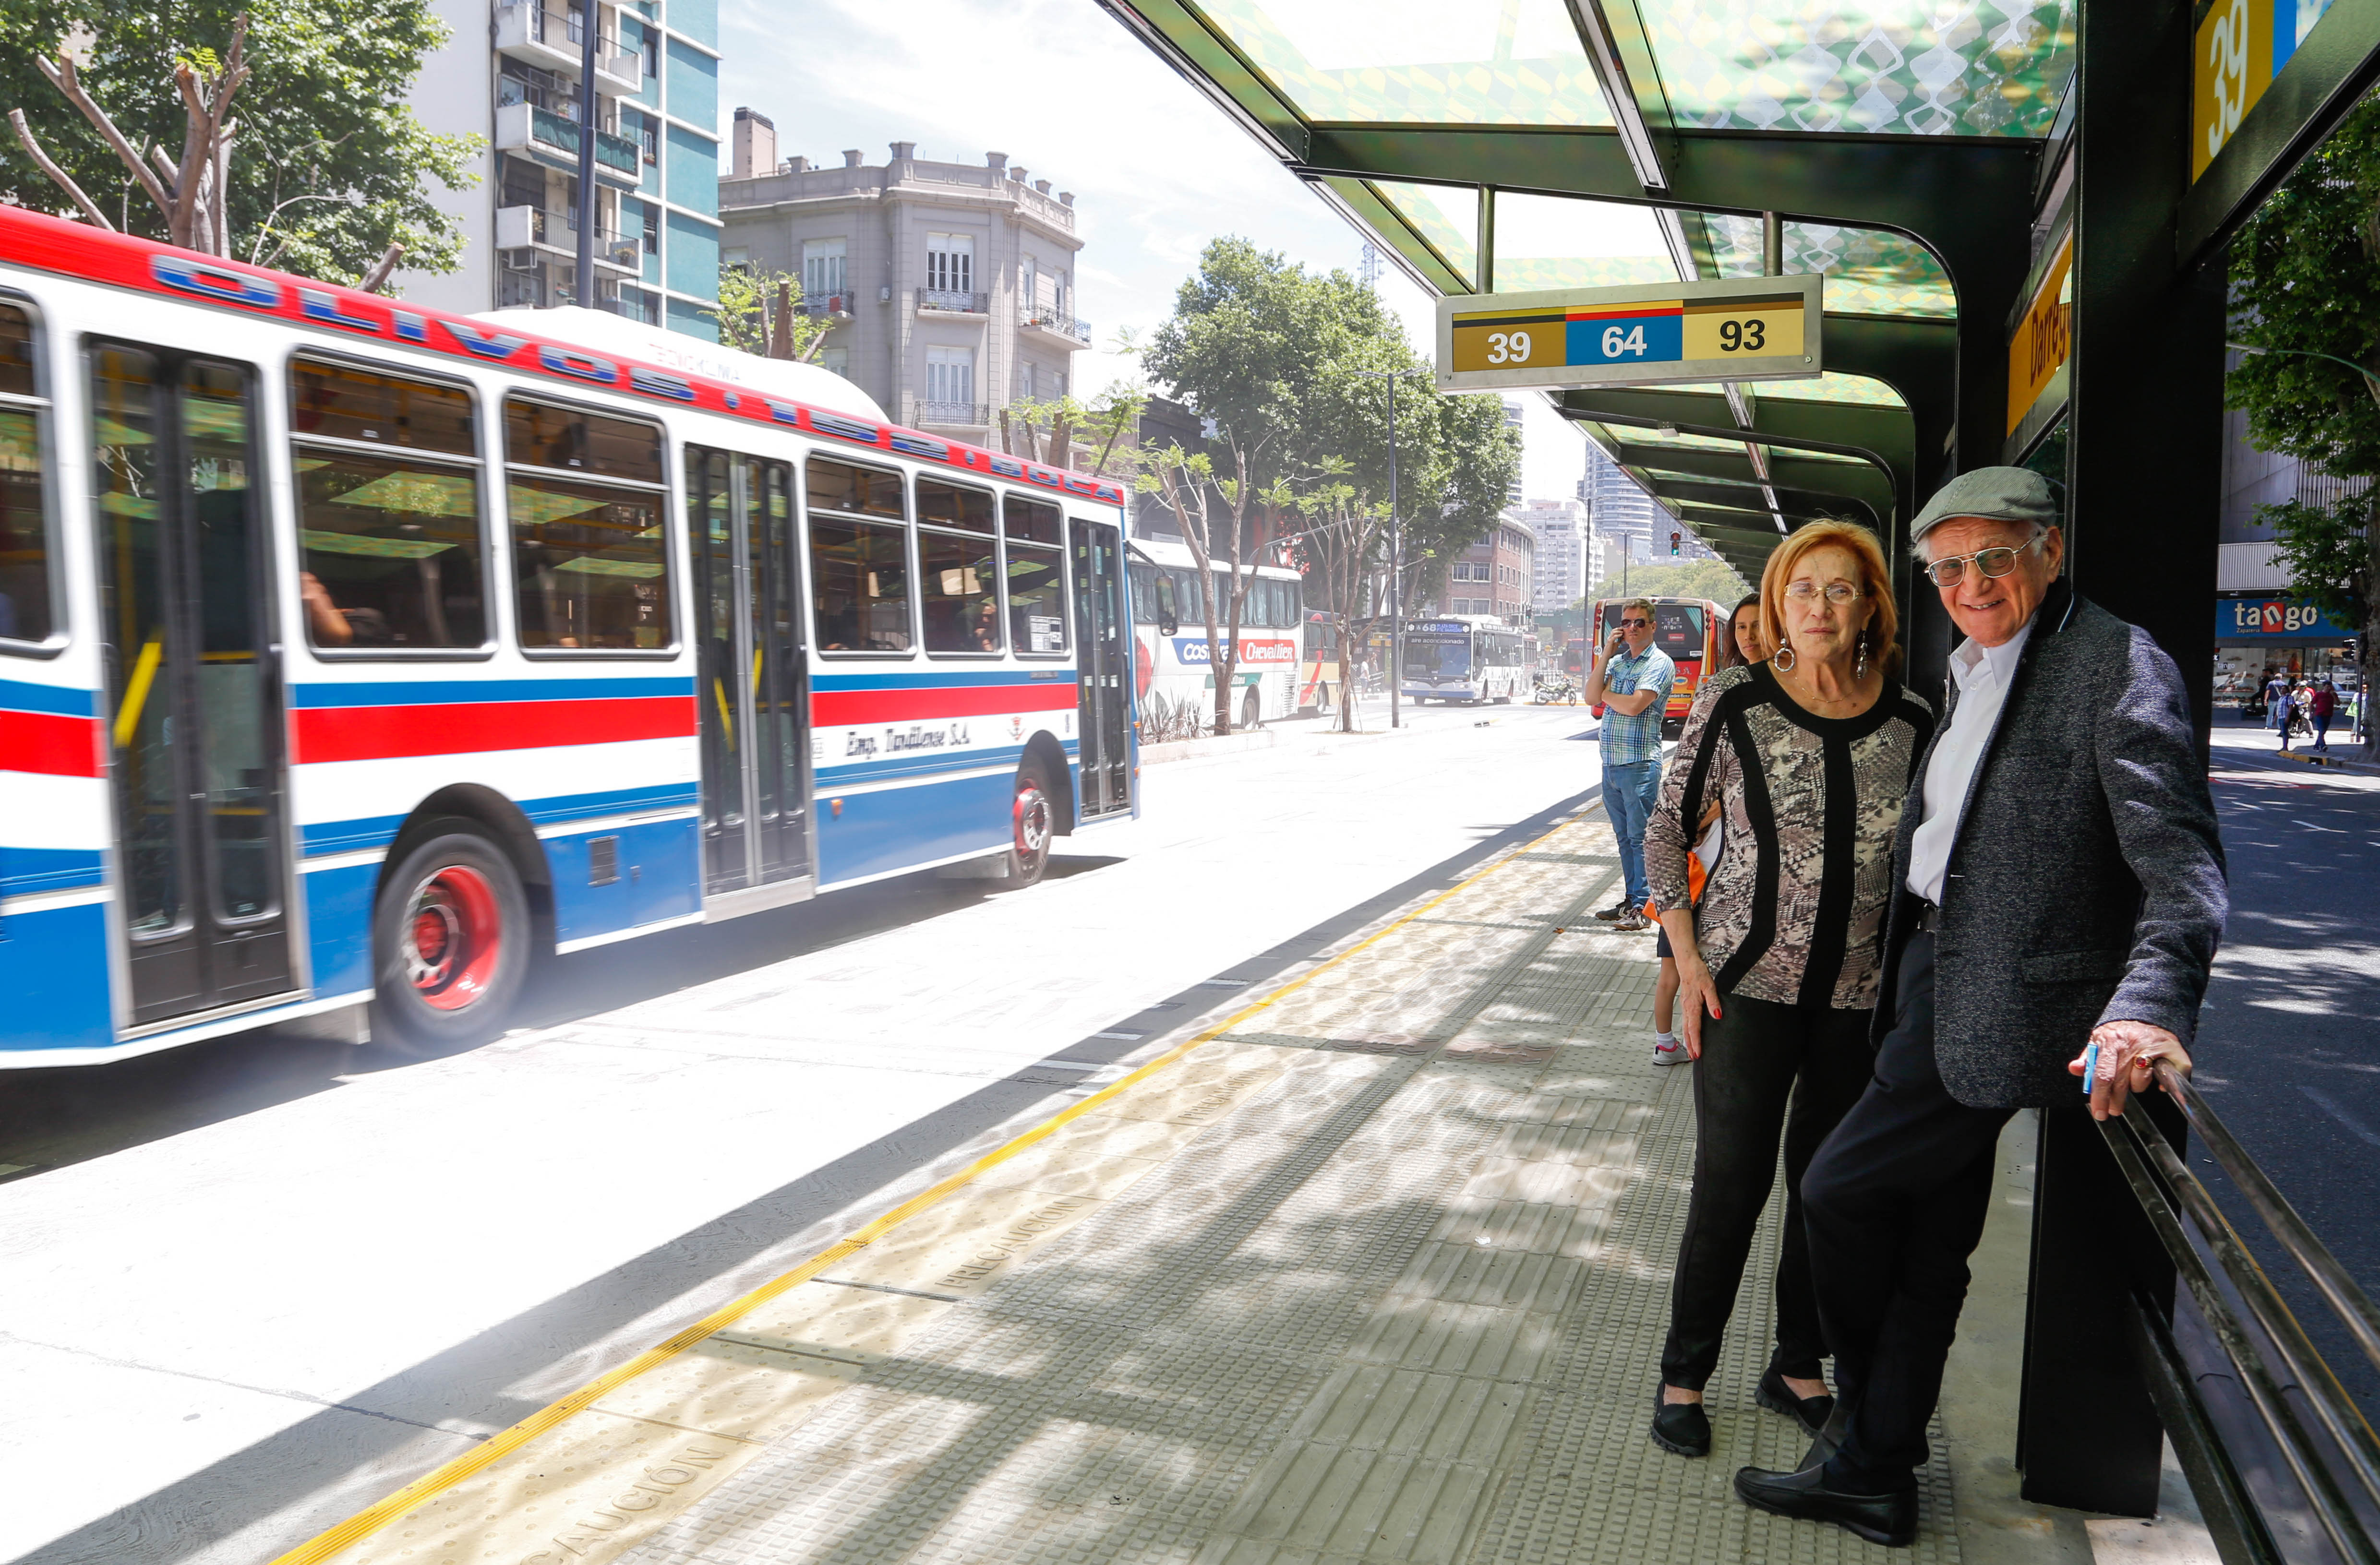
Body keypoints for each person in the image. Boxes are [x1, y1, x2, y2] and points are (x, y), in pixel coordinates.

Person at [1733, 468, 2226, 1549]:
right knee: (1928, 1243)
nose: (1969, 583)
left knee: (1835, 1189)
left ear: (2048, 552)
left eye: (1993, 558)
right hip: (1928, 974)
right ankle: (1876, 1469)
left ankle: (1862, 1425)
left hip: (2004, 1001)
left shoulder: (2112, 661)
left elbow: (2179, 867)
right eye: (1948, 566)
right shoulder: (1977, 665)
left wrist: (2145, 1006)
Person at [1641, 520, 1936, 1460]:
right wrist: (1685, 959)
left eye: (1838, 589)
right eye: (1800, 588)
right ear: (1777, 604)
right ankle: (1683, 1376)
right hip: (1742, 992)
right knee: (1729, 1187)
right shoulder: (1734, 701)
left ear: (1869, 609)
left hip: (1856, 1003)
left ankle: (1797, 1365)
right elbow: (1665, 829)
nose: (1817, 605)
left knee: (1826, 1191)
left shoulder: (1910, 722)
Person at [1584, 597, 1674, 934]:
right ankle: (1631, 899)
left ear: (1653, 627)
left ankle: (1643, 907)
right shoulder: (1618, 662)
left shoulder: (1660, 663)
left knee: (1641, 839)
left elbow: (1636, 705)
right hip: (1611, 765)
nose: (1632, 628)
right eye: (1626, 623)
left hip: (1638, 765)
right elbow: (1590, 695)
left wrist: (1605, 693)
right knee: (1624, 838)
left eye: (1639, 622)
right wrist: (1607, 651)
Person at [1729, 592, 1767, 666]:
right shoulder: (1734, 676)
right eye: (1742, 627)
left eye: (1758, 626)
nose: (1749, 636)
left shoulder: (1790, 674)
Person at [2312, 678, 2338, 753]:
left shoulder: (2332, 695)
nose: (2329, 688)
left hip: (2328, 715)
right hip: (2320, 714)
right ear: (2324, 687)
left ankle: (2316, 746)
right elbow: (2312, 703)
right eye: (2327, 687)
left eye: (2330, 687)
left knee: (2323, 731)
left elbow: (2338, 703)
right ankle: (2323, 746)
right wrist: (2311, 712)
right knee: (2321, 730)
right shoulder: (2319, 694)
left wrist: (2334, 696)